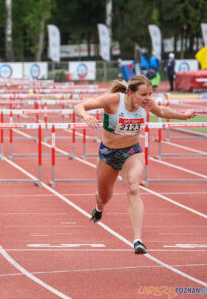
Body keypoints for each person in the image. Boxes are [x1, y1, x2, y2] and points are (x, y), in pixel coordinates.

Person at [73, 74, 195, 254]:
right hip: (108, 153)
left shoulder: (147, 105)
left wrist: (183, 116)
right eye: (143, 94)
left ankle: (137, 240)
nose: (148, 99)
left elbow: (162, 111)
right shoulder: (114, 100)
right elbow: (79, 105)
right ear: (130, 93)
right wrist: (84, 115)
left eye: (150, 94)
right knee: (104, 196)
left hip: (132, 151)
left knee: (133, 186)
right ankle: (99, 208)